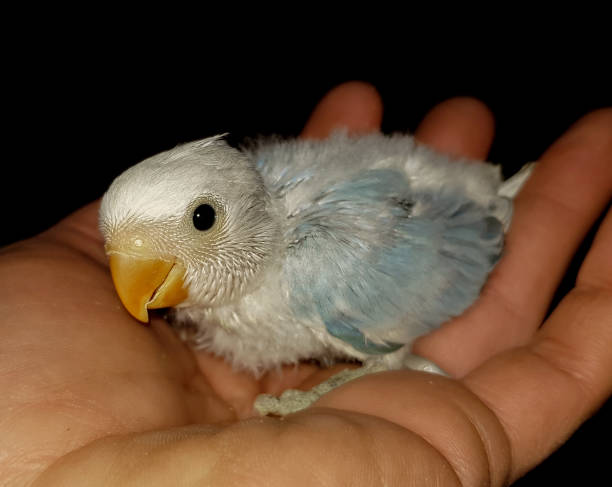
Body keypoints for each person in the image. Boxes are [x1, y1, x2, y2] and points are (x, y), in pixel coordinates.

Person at [0, 81, 610, 486]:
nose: (132, 268)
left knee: (374, 340)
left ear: (232, 209)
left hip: (449, 213)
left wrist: (319, 395)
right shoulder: (241, 228)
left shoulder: (326, 267)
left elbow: (454, 246)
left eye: (202, 220)